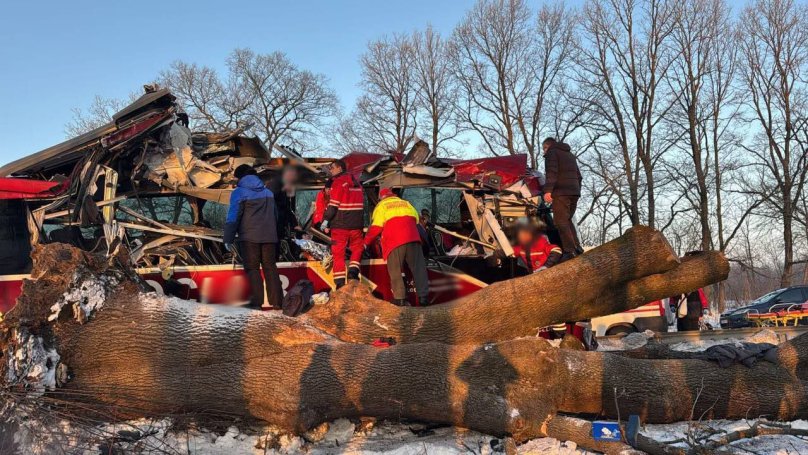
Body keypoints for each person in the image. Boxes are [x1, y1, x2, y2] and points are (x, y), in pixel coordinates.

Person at [223, 165, 283, 310]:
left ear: (241, 177)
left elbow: (233, 217)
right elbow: (275, 216)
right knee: (270, 267)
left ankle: (256, 303)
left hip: (249, 237)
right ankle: (277, 303)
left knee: (252, 269)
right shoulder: (268, 192)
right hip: (269, 236)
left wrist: (228, 238)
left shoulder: (239, 192)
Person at [364, 188, 430, 306]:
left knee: (395, 271)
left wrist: (365, 243)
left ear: (381, 197)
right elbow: (417, 221)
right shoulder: (406, 203)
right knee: (419, 269)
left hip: (395, 241)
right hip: (413, 239)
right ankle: (423, 298)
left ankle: (400, 299)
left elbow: (376, 227)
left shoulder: (382, 206)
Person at [321, 159, 365, 288]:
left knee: (338, 254)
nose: (331, 170)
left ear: (340, 168)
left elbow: (333, 206)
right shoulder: (358, 184)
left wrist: (325, 221)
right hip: (356, 225)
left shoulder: (338, 182)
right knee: (357, 248)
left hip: (340, 226)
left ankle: (340, 284)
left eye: (332, 168)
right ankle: (353, 272)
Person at [542, 137, 582, 261]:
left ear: (547, 146)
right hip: (574, 192)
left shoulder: (552, 153)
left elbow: (552, 173)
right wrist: (576, 190)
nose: (544, 152)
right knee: (567, 220)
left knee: (560, 222)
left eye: (544, 149)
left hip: (561, 192)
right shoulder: (569, 155)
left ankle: (569, 251)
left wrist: (548, 191)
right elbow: (579, 176)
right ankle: (577, 248)